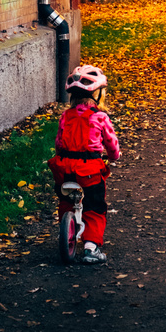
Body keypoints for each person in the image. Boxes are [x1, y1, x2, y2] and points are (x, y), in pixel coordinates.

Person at [48, 64, 121, 264]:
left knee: (65, 201)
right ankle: (91, 247)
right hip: (89, 170)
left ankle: (68, 228)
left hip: (64, 169)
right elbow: (111, 144)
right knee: (95, 207)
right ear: (97, 95)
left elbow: (58, 143)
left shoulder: (65, 116)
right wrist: (114, 156)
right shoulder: (100, 117)